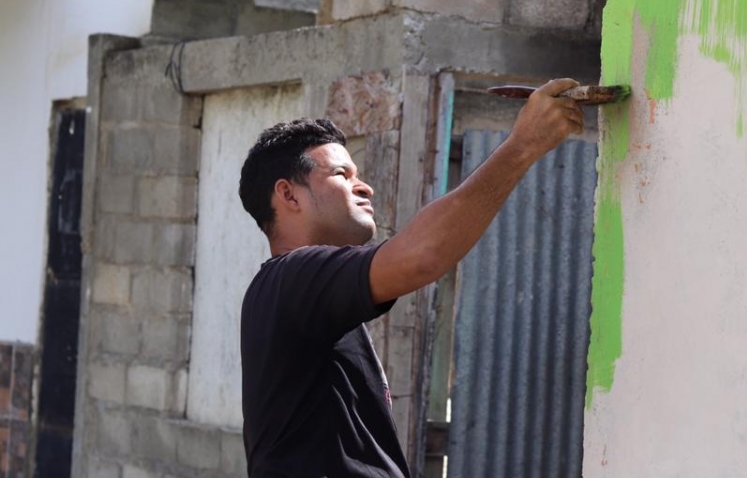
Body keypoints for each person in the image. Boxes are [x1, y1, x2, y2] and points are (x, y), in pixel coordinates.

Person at [237, 79, 585, 477]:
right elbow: (423, 255)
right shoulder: (293, 278)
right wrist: (522, 145)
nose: (363, 186)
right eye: (341, 174)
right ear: (289, 195)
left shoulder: (304, 290)